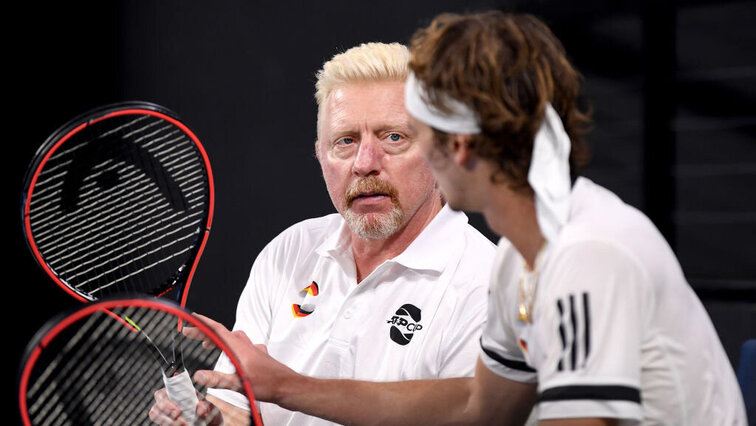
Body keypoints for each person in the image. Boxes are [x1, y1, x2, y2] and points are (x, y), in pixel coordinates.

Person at [188, 11, 748, 426]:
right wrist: (286, 387)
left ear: (456, 145)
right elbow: (477, 404)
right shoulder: (519, 260)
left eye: (406, 133)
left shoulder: (586, 254)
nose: (373, 160)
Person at [149, 41, 497, 425]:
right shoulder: (289, 251)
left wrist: (285, 385)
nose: (365, 164)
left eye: (393, 137)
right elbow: (240, 411)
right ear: (320, 155)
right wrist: (211, 421)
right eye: (345, 141)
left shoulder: (487, 286)